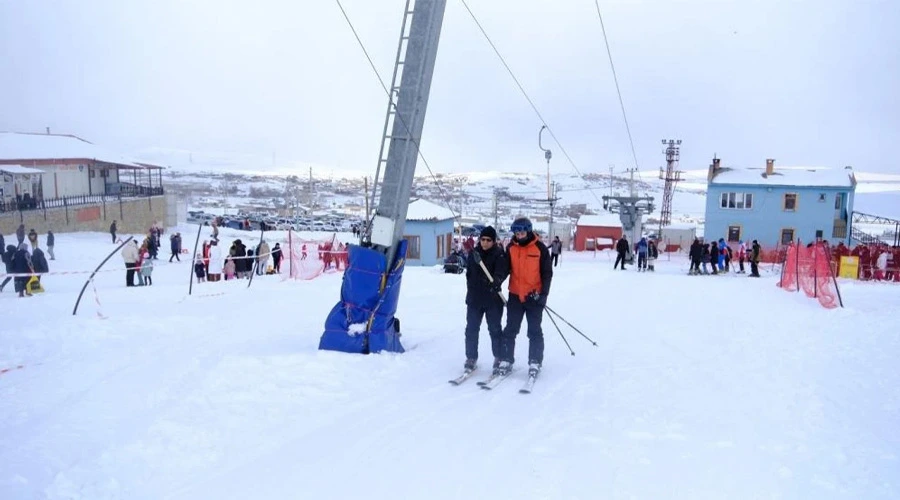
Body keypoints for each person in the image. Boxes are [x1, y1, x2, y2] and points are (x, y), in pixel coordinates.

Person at [497, 217, 552, 378]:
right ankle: (507, 359)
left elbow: (547, 274)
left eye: (521, 232)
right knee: (510, 330)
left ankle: (535, 361)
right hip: (515, 295)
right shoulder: (511, 248)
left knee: (534, 331)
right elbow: (506, 269)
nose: (519, 235)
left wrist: (544, 295)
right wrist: (498, 280)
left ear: (528, 231)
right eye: (516, 232)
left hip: (533, 297)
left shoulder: (540, 249)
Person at [462, 226, 509, 372]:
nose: (485, 242)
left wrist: (496, 281)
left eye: (488, 240)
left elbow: (502, 272)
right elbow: (469, 274)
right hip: (475, 300)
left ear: (493, 241)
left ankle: (499, 357)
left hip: (493, 300)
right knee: (471, 330)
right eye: (482, 239)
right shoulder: (474, 254)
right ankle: (471, 357)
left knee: (494, 329)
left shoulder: (499, 254)